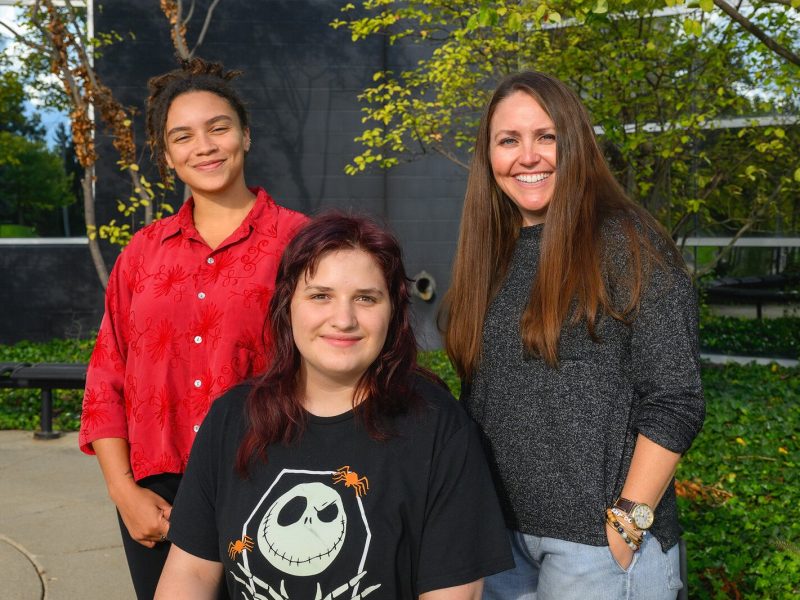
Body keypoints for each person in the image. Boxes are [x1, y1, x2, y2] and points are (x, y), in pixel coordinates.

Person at [154, 213, 514, 600]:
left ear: (393, 312)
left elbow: (455, 593)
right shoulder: (232, 419)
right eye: (320, 295)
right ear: (287, 304)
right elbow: (189, 572)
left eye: (365, 298)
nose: (343, 319)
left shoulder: (439, 430)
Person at [442, 71, 705, 600]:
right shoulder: (493, 252)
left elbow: (676, 396)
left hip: (595, 551)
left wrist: (626, 527)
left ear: (575, 142)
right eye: (508, 140)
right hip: (499, 541)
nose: (528, 156)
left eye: (547, 137)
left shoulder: (626, 241)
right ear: (488, 156)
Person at [78, 57, 308, 599]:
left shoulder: (304, 243)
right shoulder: (141, 254)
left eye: (218, 128)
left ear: (245, 136)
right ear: (166, 156)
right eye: (183, 137)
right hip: (158, 494)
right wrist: (123, 491)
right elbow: (106, 378)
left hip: (272, 477)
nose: (203, 146)